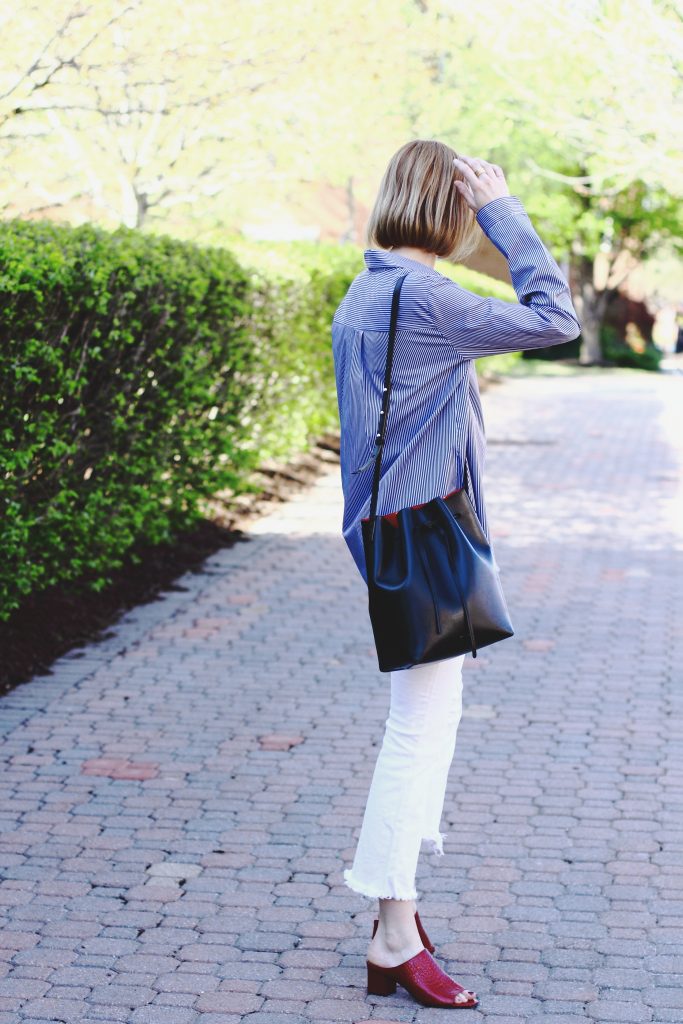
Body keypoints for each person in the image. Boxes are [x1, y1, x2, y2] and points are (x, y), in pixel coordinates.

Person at [330, 139, 581, 1010]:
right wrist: (508, 216)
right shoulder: (429, 297)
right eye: (468, 208)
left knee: (422, 721)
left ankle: (394, 919)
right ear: (450, 210)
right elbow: (556, 318)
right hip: (428, 533)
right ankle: (392, 931)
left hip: (390, 530)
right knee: (419, 734)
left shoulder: (365, 291)